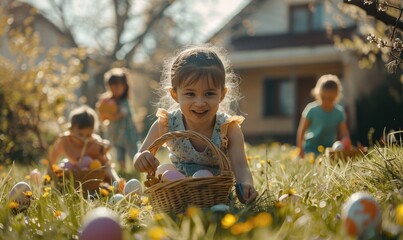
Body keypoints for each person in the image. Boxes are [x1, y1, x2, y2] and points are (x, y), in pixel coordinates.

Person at [133, 44, 258, 204]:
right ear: (175, 94)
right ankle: (177, 204)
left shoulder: (228, 128)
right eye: (190, 94)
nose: (200, 102)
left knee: (203, 176)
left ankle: (200, 205)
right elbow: (141, 154)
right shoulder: (166, 123)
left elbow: (240, 165)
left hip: (212, 189)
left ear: (222, 94)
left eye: (209, 93)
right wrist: (140, 159)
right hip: (178, 186)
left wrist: (246, 184)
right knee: (164, 171)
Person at [48, 105, 119, 183]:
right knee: (64, 166)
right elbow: (54, 154)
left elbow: (105, 147)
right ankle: (65, 184)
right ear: (71, 129)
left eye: (88, 135)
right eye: (80, 134)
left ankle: (117, 184)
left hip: (95, 172)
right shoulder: (65, 140)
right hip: (76, 171)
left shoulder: (94, 141)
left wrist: (106, 147)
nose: (84, 138)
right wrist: (50, 171)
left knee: (107, 171)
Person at [296, 74, 351, 158]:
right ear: (318, 94)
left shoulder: (339, 112)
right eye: (323, 97)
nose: (326, 101)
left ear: (337, 96)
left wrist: (346, 143)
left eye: (330, 98)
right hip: (310, 149)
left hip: (329, 150)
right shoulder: (311, 110)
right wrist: (300, 150)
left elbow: (344, 134)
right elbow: (301, 131)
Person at [96, 68, 140, 173]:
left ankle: (138, 169)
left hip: (128, 134)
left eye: (119, 86)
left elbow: (122, 113)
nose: (115, 89)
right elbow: (102, 116)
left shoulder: (124, 101)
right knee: (119, 153)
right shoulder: (107, 100)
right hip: (115, 134)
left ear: (124, 87)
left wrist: (112, 115)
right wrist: (103, 111)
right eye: (112, 87)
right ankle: (123, 170)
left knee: (133, 152)